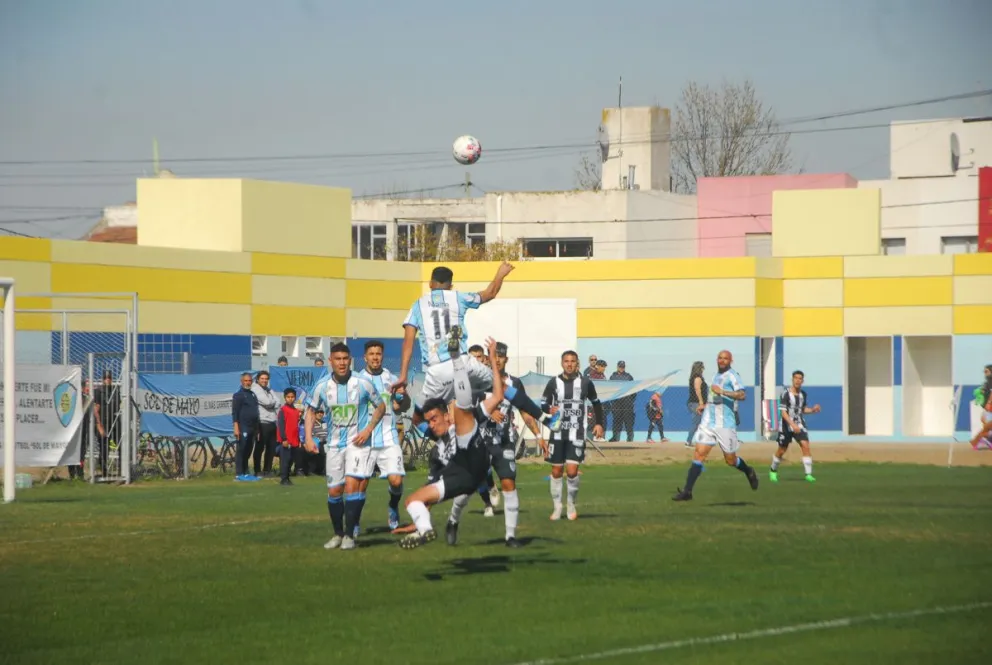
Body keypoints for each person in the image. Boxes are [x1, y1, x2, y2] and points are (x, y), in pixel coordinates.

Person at [393, 263, 560, 436]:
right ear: (451, 286)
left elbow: (408, 343)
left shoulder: (417, 306)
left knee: (418, 420)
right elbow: (490, 293)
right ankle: (547, 420)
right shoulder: (458, 297)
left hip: (437, 372)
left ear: (430, 284)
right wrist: (500, 274)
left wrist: (403, 375)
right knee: (502, 387)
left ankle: (450, 444)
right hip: (463, 363)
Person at [399, 336, 505, 550]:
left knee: (463, 411)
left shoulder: (462, 420)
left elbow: (497, 397)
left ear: (446, 415)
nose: (431, 425)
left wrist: (492, 359)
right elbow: (430, 489)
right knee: (412, 501)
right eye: (428, 421)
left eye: (434, 419)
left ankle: (456, 358)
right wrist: (419, 518)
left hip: (476, 464)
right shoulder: (437, 453)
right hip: (461, 478)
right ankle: (425, 529)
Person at [445, 341, 546, 548]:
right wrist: (487, 411)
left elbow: (524, 411)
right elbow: (464, 409)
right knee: (467, 487)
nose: (497, 360)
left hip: (504, 442)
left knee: (509, 484)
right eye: (494, 355)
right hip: (479, 441)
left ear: (506, 359)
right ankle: (453, 520)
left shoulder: (514, 383)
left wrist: (538, 435)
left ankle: (510, 536)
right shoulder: (478, 380)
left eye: (501, 356)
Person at [304, 342, 385, 551]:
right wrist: (309, 438)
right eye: (337, 359)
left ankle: (349, 535)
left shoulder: (363, 383)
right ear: (330, 361)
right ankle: (338, 534)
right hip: (333, 446)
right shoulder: (322, 386)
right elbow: (310, 410)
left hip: (357, 444)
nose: (342, 363)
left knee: (351, 486)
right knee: (334, 491)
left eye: (345, 359)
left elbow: (381, 406)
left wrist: (368, 429)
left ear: (350, 361)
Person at [673, 350, 758, 501]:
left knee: (730, 460)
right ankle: (687, 491)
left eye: (725, 358)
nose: (722, 360)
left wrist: (723, 391)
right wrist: (705, 405)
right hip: (708, 422)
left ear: (730, 361)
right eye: (720, 358)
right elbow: (714, 397)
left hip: (725, 424)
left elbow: (742, 395)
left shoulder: (733, 376)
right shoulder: (715, 376)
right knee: (699, 454)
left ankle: (748, 470)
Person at [542, 350, 605, 521]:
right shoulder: (553, 382)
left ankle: (570, 504)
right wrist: (549, 408)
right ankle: (557, 507)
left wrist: (599, 423)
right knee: (556, 471)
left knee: (571, 471)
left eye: (572, 361)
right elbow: (543, 403)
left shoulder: (585, 383)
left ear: (577, 363)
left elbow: (596, 403)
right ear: (562, 363)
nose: (569, 364)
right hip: (557, 433)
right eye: (566, 361)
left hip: (577, 432)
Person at [357, 340, 411, 531]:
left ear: (382, 356)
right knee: (361, 484)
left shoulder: (391, 378)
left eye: (378, 354)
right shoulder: (357, 380)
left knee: (396, 481)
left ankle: (393, 507)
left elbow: (400, 407)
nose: (375, 357)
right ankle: (355, 521)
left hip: (389, 436)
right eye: (371, 354)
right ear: (365, 357)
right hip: (366, 439)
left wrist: (403, 396)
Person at [770, 370, 821, 483]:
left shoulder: (803, 394)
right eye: (796, 378)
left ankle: (808, 474)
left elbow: (802, 409)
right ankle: (773, 470)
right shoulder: (785, 394)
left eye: (800, 378)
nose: (798, 380)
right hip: (786, 425)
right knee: (782, 450)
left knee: (805, 445)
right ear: (792, 379)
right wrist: (792, 424)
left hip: (799, 424)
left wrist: (813, 410)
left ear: (802, 381)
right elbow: (783, 413)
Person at [231, 372, 261, 482]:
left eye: (249, 381)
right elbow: (235, 412)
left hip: (253, 427)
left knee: (249, 449)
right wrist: (236, 427)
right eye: (246, 381)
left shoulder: (253, 395)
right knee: (241, 449)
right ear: (242, 381)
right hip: (243, 426)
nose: (248, 383)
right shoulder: (238, 395)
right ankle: (239, 474)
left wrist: (257, 429)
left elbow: (256, 412)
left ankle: (245, 471)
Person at [252, 370, 279, 477]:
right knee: (259, 448)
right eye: (262, 379)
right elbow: (268, 402)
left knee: (271, 448)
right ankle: (257, 470)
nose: (264, 381)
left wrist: (272, 403)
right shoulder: (255, 389)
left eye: (266, 379)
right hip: (262, 422)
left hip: (272, 422)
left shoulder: (269, 389)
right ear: (258, 379)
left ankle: (267, 470)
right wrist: (272, 402)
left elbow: (278, 402)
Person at [276, 388, 303, 486]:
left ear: (295, 398)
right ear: (285, 398)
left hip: (294, 440)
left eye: (292, 397)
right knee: (285, 460)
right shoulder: (283, 410)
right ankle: (283, 479)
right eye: (288, 397)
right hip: (286, 440)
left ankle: (287, 478)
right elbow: (281, 425)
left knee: (290, 460)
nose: (290, 399)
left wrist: (298, 440)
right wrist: (284, 439)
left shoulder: (296, 411)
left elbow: (296, 427)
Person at [686, 361, 707, 448]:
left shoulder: (695, 378)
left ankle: (700, 440)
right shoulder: (697, 378)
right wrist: (701, 402)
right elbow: (697, 389)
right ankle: (688, 442)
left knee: (699, 423)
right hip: (696, 403)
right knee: (696, 423)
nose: (703, 369)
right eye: (702, 367)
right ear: (699, 368)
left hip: (697, 403)